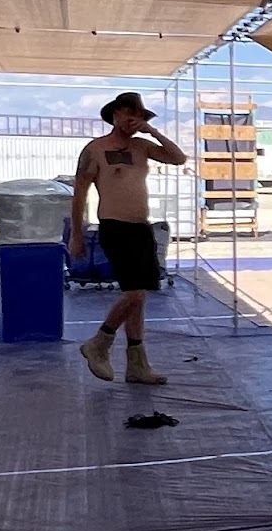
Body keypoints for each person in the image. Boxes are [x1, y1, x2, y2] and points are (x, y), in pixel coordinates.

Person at [69, 91, 187, 383]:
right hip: (114, 227)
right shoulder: (95, 149)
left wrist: (153, 131)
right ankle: (100, 342)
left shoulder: (142, 147)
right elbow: (79, 193)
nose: (131, 119)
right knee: (133, 292)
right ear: (114, 115)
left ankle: (136, 364)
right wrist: (77, 234)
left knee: (140, 295)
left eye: (137, 115)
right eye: (126, 112)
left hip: (140, 227)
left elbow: (178, 158)